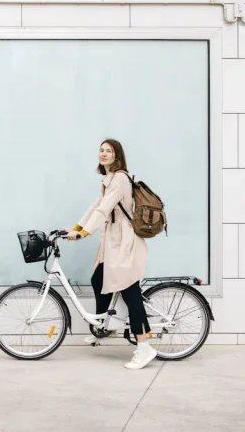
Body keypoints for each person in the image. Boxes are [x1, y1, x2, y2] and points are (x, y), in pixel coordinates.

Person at [66, 139, 157, 370]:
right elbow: (95, 206)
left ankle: (144, 347)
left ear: (117, 156)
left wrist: (84, 233)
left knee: (130, 292)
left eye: (109, 151)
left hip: (124, 241)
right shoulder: (109, 179)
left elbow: (104, 209)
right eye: (102, 150)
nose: (104, 153)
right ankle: (105, 327)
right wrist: (77, 227)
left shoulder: (120, 179)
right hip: (113, 240)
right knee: (98, 279)